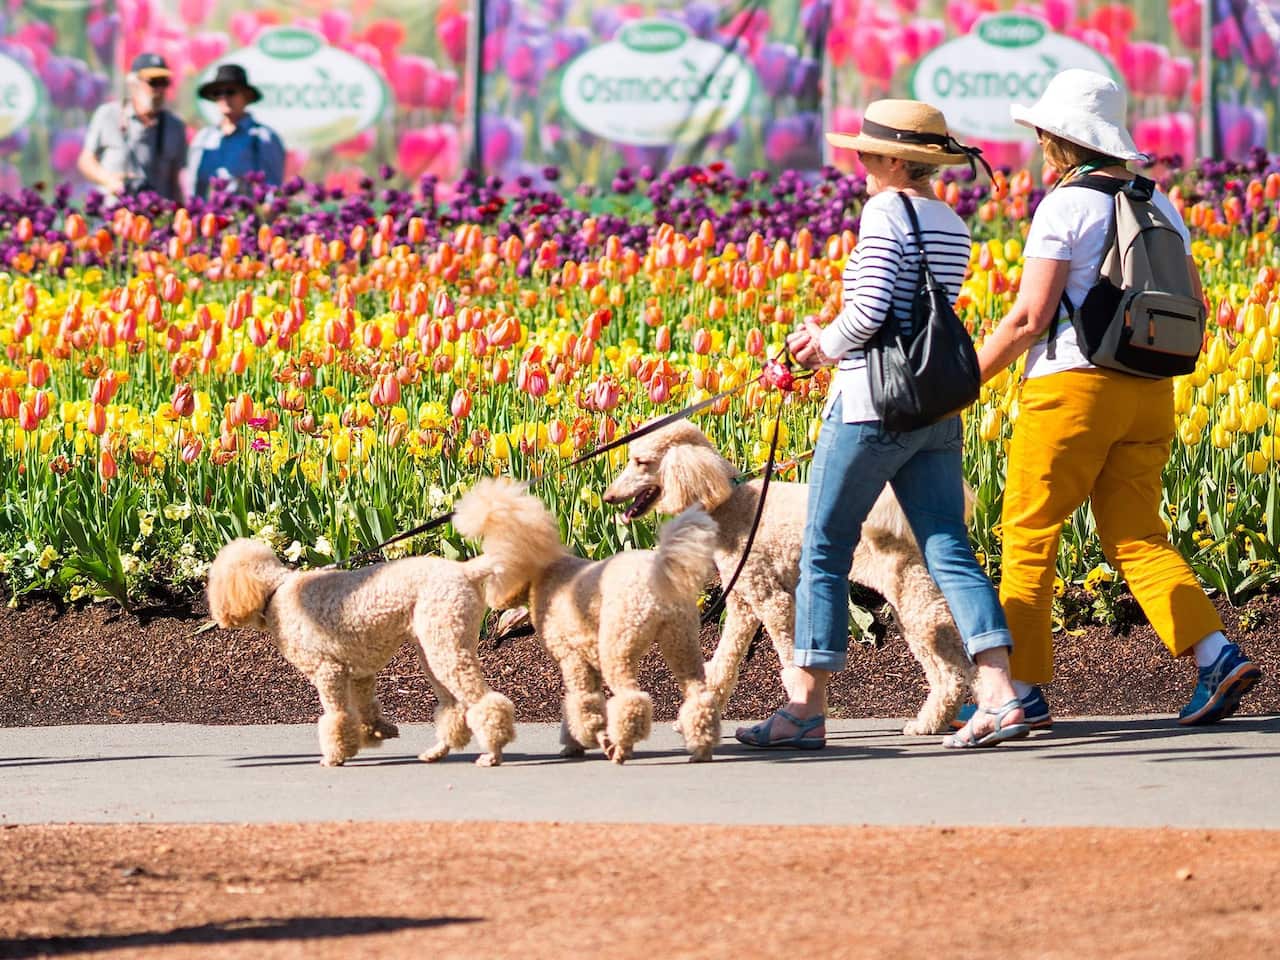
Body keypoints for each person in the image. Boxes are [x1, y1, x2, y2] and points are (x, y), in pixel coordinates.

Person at [735, 100, 1029, 751]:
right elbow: (916, 314)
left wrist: (817, 344)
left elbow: (869, 314)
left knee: (823, 545)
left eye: (868, 154)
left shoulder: (883, 211)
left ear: (897, 160)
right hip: (934, 407)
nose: (860, 165)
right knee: (949, 545)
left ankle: (805, 708)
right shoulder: (952, 220)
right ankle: (1000, 689)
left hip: (872, 404)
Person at [973, 68, 1261, 727]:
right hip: (1149, 390)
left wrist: (963, 382)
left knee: (1028, 533)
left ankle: (1018, 689)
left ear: (1058, 141)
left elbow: (1027, 319)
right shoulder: (1161, 204)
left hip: (1073, 392)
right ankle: (1214, 654)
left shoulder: (1065, 204)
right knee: (1136, 533)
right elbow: (1195, 301)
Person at [78, 53, 187, 202]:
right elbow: (86, 161)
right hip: (113, 217)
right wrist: (109, 181)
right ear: (133, 83)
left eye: (164, 82)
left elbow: (176, 182)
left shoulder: (175, 126)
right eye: (154, 82)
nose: (160, 90)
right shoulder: (108, 115)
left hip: (156, 219)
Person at [188, 63, 285, 199]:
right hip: (209, 217)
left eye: (230, 92)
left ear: (246, 96)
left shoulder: (264, 137)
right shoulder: (204, 138)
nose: (224, 98)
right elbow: (194, 190)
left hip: (247, 217)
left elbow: (273, 191)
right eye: (218, 93)